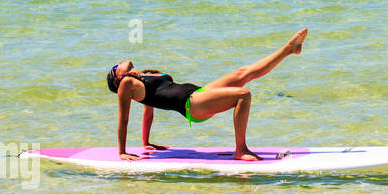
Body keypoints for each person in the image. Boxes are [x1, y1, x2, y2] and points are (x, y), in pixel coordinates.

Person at [105, 29, 308, 162]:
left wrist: (146, 143)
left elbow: (149, 111)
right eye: (116, 67)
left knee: (244, 73)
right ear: (118, 78)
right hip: (191, 105)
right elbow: (123, 119)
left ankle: (289, 50)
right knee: (243, 95)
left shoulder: (143, 77)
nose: (120, 62)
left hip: (198, 94)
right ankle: (241, 150)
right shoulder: (126, 84)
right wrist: (122, 152)